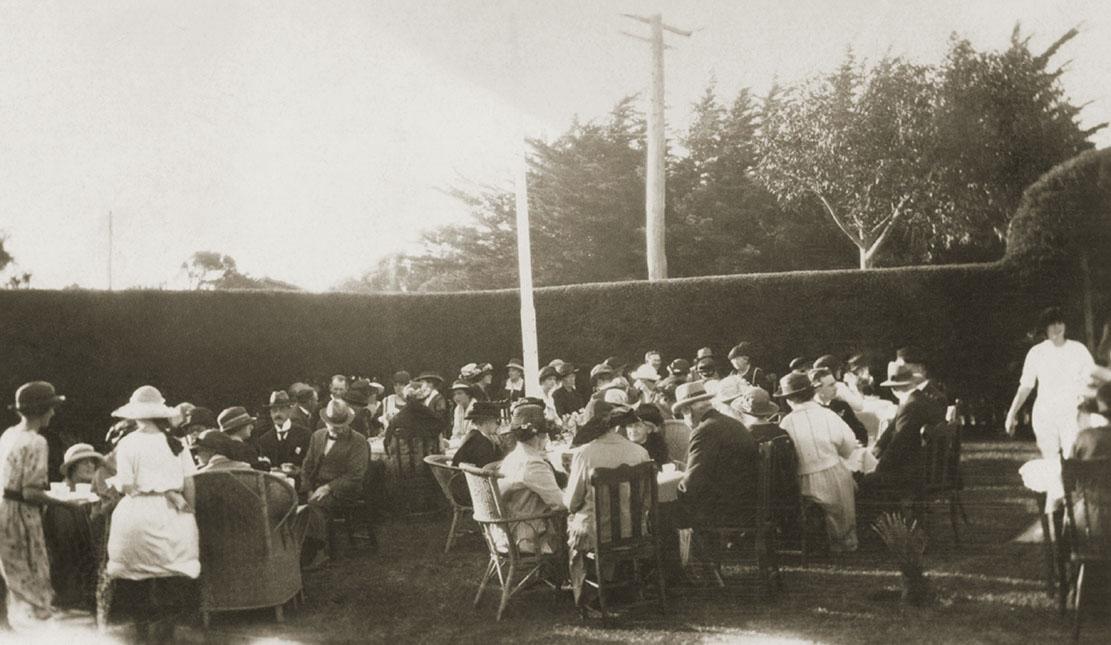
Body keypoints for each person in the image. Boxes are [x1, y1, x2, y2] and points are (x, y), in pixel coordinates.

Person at [106, 385, 200, 643]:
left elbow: (126, 484)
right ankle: (165, 636)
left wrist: (114, 483)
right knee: (170, 577)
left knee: (138, 579)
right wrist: (189, 514)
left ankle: (142, 635)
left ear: (135, 414)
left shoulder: (128, 443)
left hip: (137, 513)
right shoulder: (176, 443)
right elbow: (189, 483)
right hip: (171, 512)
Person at [0, 381, 78, 631]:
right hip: (21, 516)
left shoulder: (9, 435)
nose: (53, 414)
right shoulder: (35, 442)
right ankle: (36, 633)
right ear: (42, 410)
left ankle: (18, 629)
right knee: (34, 577)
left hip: (4, 510)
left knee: (15, 576)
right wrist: (65, 503)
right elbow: (31, 492)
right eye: (51, 408)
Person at [564, 401, 651, 606]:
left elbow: (572, 503)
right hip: (635, 532)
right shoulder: (639, 452)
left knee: (572, 521)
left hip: (598, 533)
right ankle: (621, 584)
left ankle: (587, 594)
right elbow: (647, 500)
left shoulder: (584, 454)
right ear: (616, 425)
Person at [777, 373, 861, 552]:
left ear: (789, 399)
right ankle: (845, 543)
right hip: (835, 473)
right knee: (842, 511)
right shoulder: (828, 415)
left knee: (819, 513)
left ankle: (823, 544)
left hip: (805, 478)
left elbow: (786, 456)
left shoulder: (787, 422)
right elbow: (848, 444)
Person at [1006, 307, 1095, 459]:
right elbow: (1026, 386)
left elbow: (1091, 381)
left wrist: (1087, 405)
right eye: (1052, 324)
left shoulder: (1078, 350)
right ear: (1045, 328)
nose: (1057, 327)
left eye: (1060, 323)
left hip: (1072, 413)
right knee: (1051, 461)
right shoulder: (1036, 353)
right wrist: (1011, 414)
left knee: (1071, 457)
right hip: (1045, 414)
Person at [672, 380, 760, 527]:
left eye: (682, 414)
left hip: (726, 512)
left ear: (688, 411)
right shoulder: (732, 422)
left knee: (666, 514)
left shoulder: (704, 431)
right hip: (747, 503)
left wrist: (674, 495)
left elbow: (692, 484)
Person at [298, 399, 370, 568]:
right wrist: (308, 488)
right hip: (316, 487)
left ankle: (318, 551)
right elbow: (306, 466)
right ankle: (297, 548)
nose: (338, 429)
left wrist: (328, 487)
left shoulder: (358, 441)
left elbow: (355, 476)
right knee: (288, 497)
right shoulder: (317, 436)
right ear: (325, 421)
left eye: (342, 425)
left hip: (345, 489)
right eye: (333, 426)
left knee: (316, 505)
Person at [866, 364, 946, 503]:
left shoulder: (910, 406)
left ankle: (882, 520)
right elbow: (893, 428)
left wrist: (877, 469)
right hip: (929, 467)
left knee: (865, 481)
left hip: (914, 472)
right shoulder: (920, 399)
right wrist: (879, 446)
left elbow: (898, 444)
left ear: (895, 388)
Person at [496, 402, 566, 556]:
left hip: (505, 530)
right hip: (528, 536)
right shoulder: (533, 463)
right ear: (539, 436)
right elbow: (560, 504)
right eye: (545, 434)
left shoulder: (513, 457)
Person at [43, 442, 106, 611]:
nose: (90, 465)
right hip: (66, 578)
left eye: (92, 462)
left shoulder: (90, 496)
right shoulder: (59, 498)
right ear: (72, 467)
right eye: (84, 462)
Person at [256, 391, 312, 474]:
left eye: (282, 409)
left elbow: (310, 466)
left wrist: (297, 470)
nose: (278, 414)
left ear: (289, 410)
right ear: (270, 413)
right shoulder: (264, 440)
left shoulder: (305, 435)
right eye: (274, 410)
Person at [811, 367, 869, 446]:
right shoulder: (811, 411)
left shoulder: (841, 405)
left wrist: (860, 442)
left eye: (834, 383)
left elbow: (860, 430)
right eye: (831, 385)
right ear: (817, 389)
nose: (836, 388)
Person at [618, 404, 670, 469]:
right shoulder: (624, 447)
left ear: (649, 429)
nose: (633, 430)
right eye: (629, 426)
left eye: (638, 426)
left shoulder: (657, 448)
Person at [451, 401, 502, 468]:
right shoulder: (480, 442)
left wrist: (497, 445)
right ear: (487, 421)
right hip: (469, 477)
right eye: (497, 422)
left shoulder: (475, 435)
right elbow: (487, 467)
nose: (499, 426)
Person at [217, 406, 270, 470]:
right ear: (239, 426)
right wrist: (265, 463)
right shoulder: (246, 450)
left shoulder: (220, 449)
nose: (251, 427)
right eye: (248, 424)